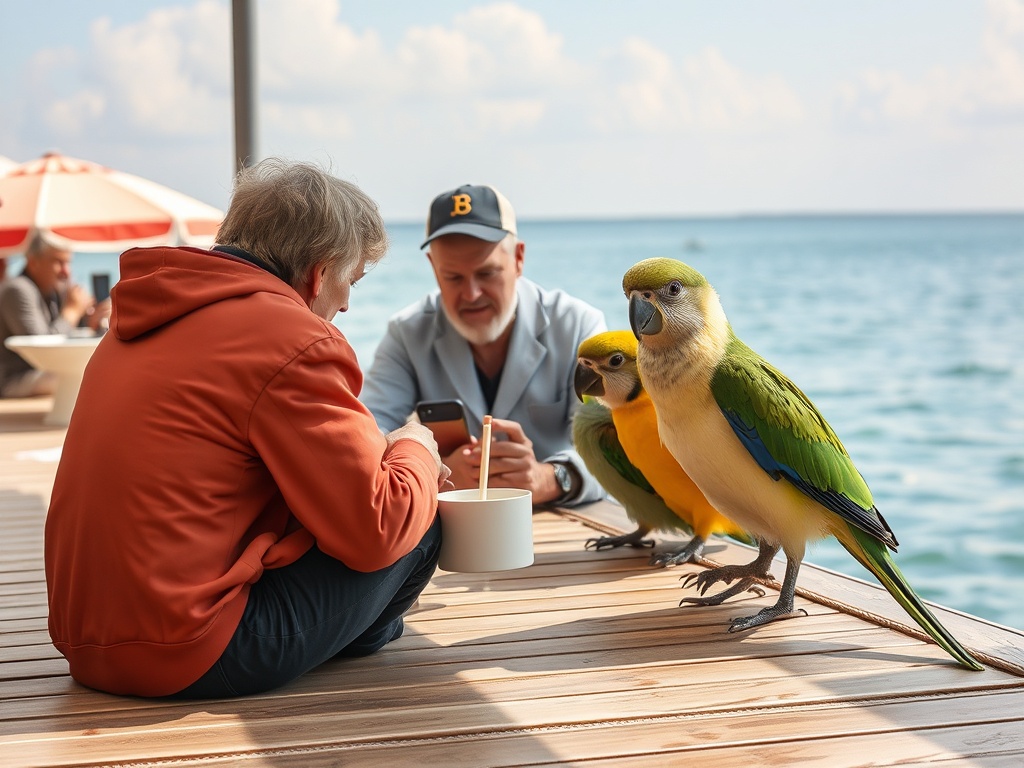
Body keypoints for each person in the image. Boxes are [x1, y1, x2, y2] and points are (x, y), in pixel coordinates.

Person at [44, 159, 449, 699]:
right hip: (189, 649)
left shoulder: (133, 324)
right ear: (319, 272)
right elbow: (377, 527)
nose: (348, 303)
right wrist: (414, 446)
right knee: (418, 519)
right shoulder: (291, 337)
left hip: (87, 645)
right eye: (350, 281)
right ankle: (364, 635)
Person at [361, 183, 607, 507]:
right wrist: (437, 472)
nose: (472, 294)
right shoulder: (407, 333)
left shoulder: (578, 327)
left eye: (487, 273)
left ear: (519, 259)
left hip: (565, 526)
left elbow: (616, 450)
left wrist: (548, 478)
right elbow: (368, 439)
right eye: (453, 277)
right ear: (433, 268)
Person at [0, 234, 111, 397]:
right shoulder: (17, 290)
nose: (66, 272)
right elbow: (44, 349)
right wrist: (72, 312)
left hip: (47, 375)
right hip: (14, 381)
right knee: (85, 376)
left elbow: (69, 338)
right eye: (59, 262)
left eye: (68, 263)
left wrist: (91, 323)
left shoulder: (54, 290)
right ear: (33, 262)